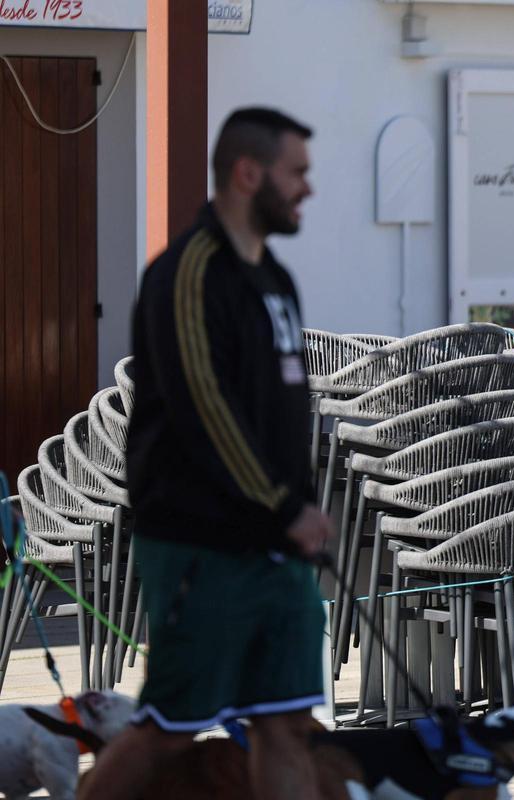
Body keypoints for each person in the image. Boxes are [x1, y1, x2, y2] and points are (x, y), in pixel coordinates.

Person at [81, 108, 334, 800]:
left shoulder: (275, 280)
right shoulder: (187, 272)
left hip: (277, 549)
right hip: (201, 546)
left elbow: (281, 412)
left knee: (285, 724)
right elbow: (205, 408)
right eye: (298, 173)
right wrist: (287, 505)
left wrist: (299, 508)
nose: (308, 189)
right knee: (170, 725)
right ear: (249, 174)